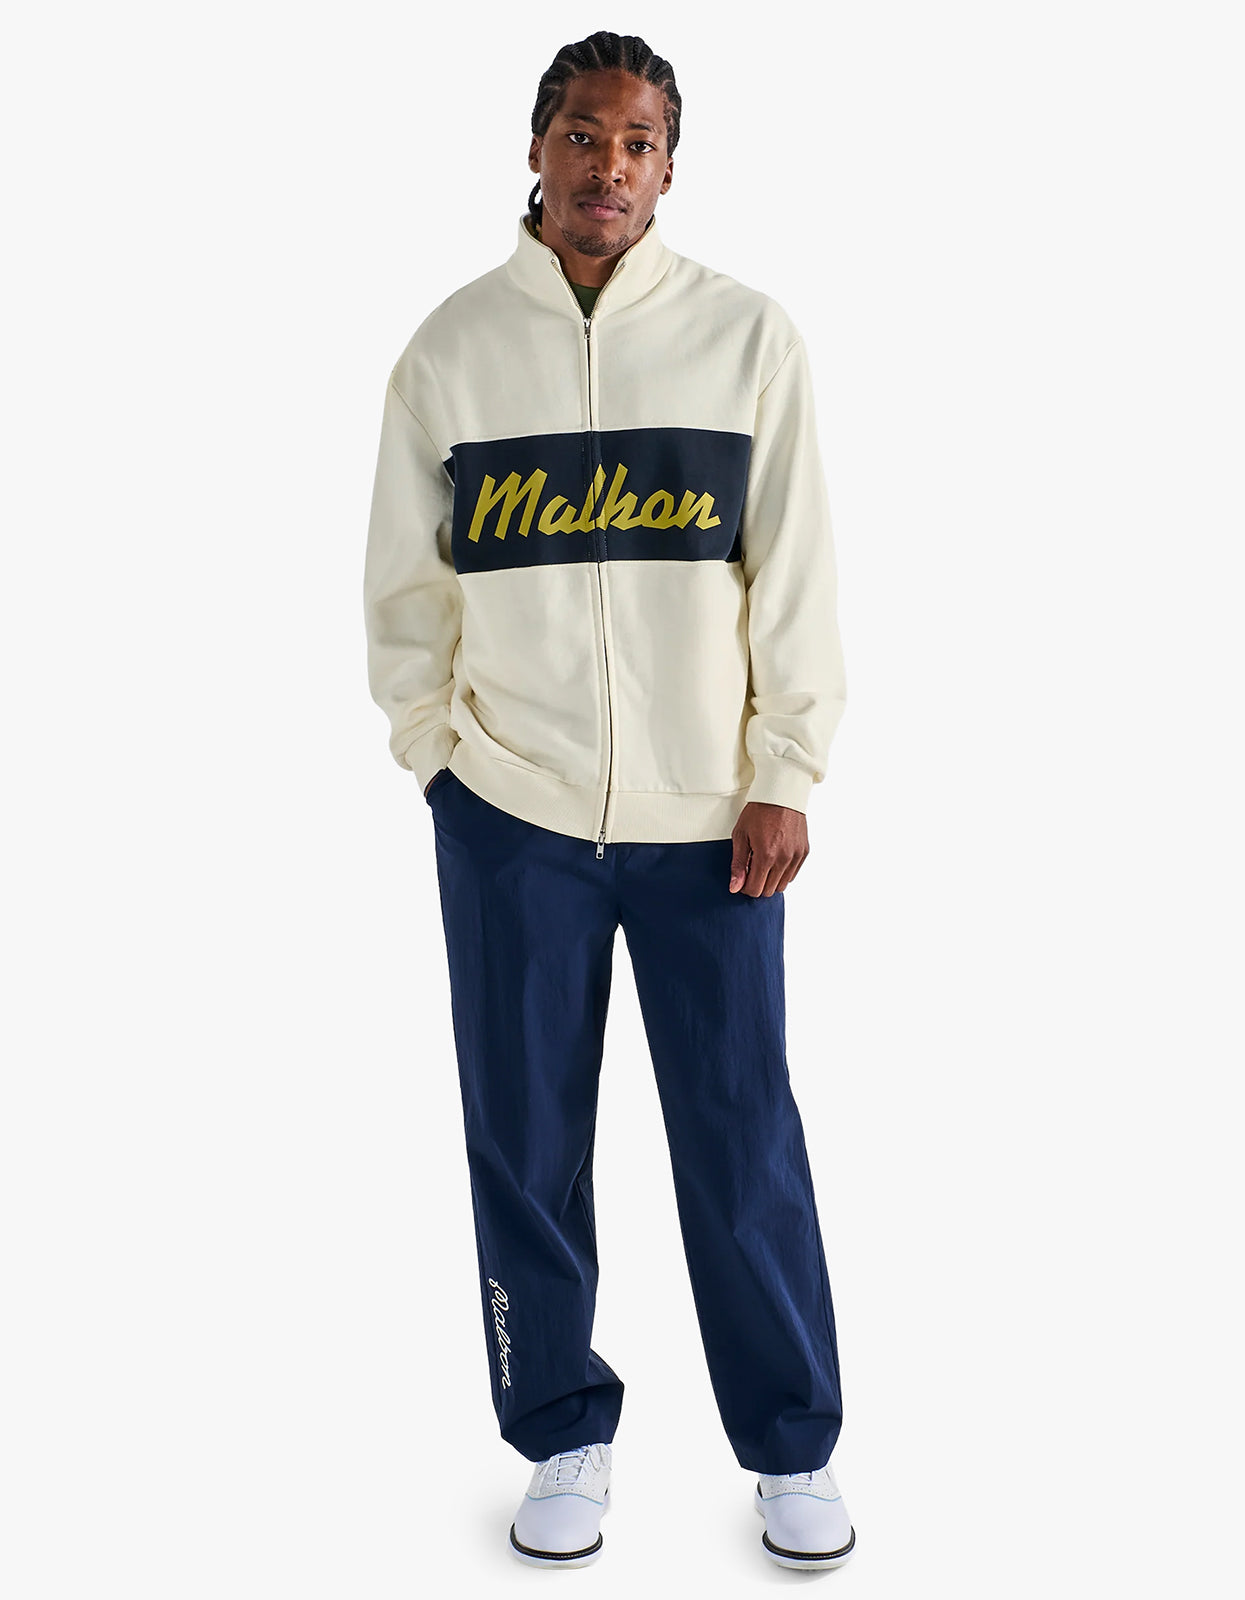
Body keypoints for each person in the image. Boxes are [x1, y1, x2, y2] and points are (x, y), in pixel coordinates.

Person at [362, 30, 854, 1574]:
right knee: (523, 1138)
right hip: (512, 818)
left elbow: (794, 579)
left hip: (712, 825)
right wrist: (443, 762)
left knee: (739, 1138)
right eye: (584, 135)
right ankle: (560, 1429)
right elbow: (403, 594)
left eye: (638, 143)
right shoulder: (451, 353)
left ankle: (789, 1447)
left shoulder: (745, 339)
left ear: (668, 169)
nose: (609, 167)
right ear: (537, 148)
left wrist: (782, 772)